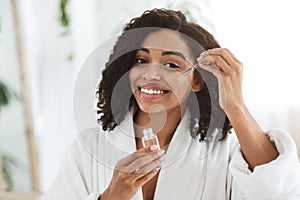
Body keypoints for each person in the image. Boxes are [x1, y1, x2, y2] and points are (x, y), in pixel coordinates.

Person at [40, 8, 300, 200]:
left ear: (197, 80)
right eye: (141, 60)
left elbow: (277, 192)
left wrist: (235, 106)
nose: (151, 74)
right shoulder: (89, 149)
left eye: (171, 64)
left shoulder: (225, 151)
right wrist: (112, 196)